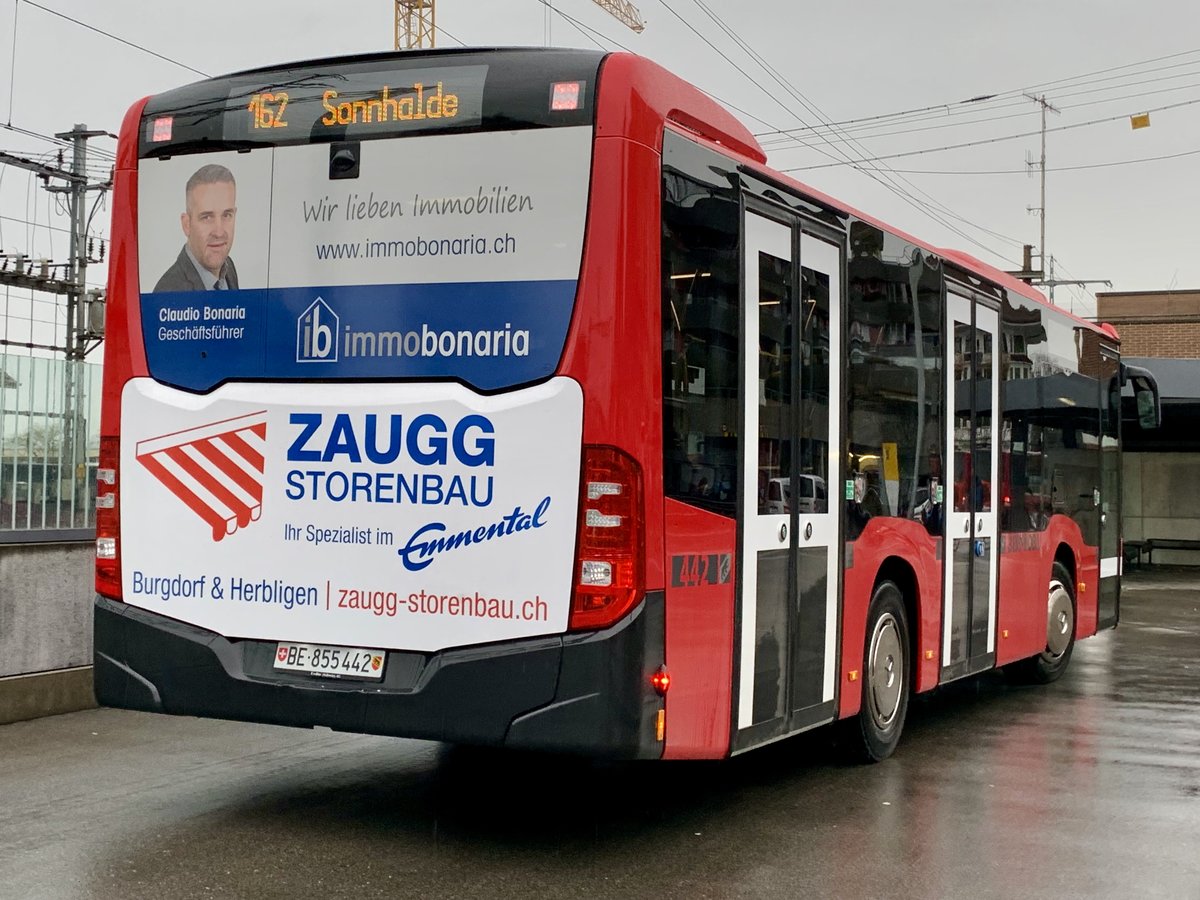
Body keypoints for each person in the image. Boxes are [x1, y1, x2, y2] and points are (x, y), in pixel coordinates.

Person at [153, 164, 240, 292]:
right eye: (207, 217)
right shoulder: (169, 291)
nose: (219, 232)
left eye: (227, 215)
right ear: (187, 224)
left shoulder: (228, 267)